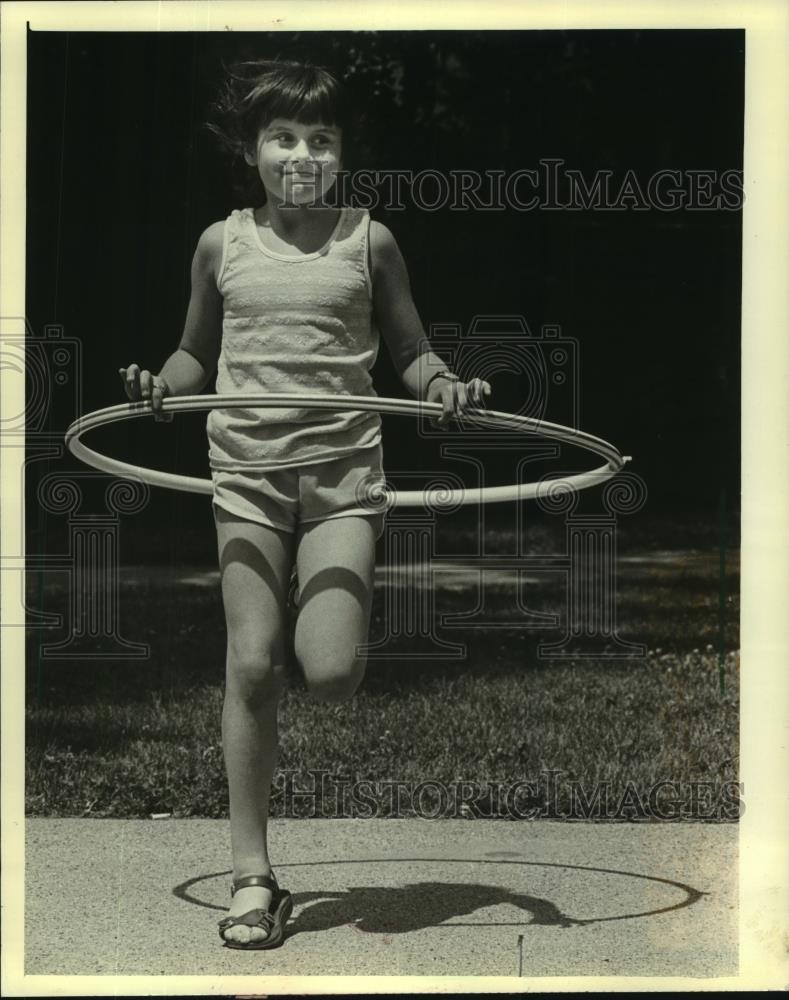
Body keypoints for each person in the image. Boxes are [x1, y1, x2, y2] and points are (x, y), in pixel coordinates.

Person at [119, 58, 491, 950]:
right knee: (250, 664)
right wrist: (158, 385)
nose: (301, 154)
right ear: (250, 150)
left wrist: (441, 385)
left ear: (341, 156)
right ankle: (253, 878)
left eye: (321, 140)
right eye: (283, 137)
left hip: (339, 484)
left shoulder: (371, 241)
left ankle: (325, 606)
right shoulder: (222, 243)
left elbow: (408, 352)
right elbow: (192, 355)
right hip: (245, 474)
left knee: (328, 671)